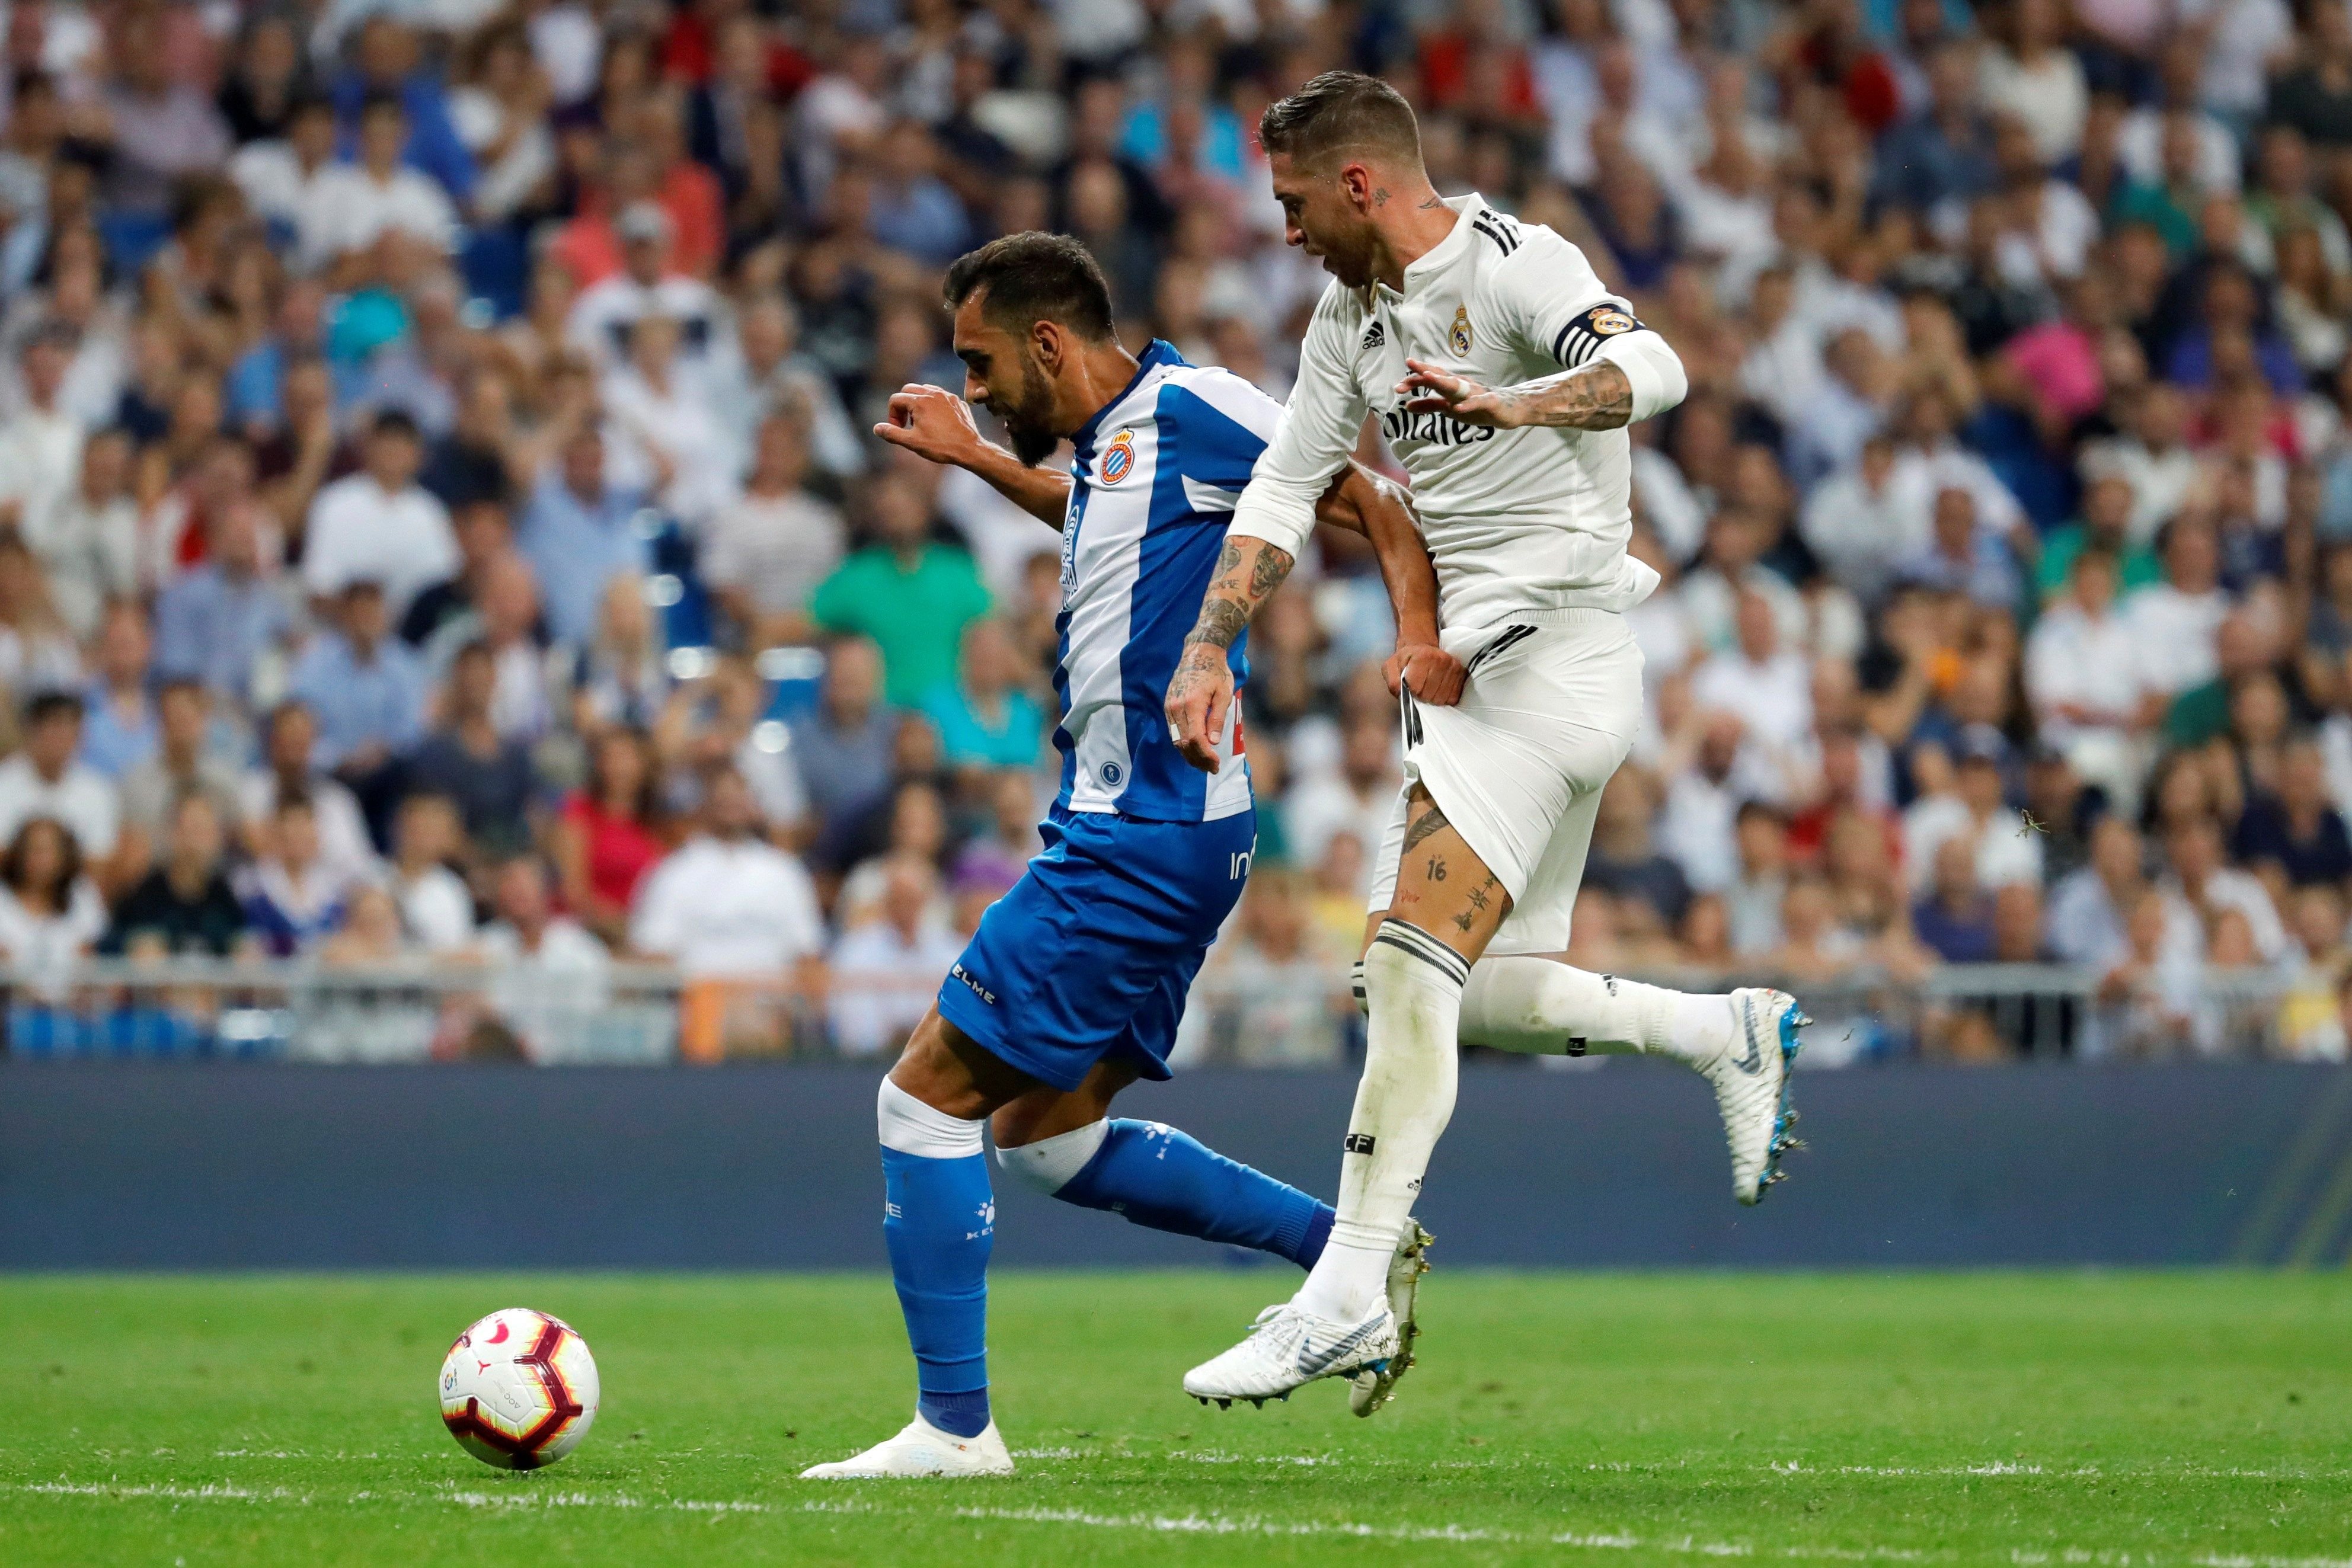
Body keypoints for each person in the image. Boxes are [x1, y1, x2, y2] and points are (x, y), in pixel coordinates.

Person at [1169, 72, 1801, 1412]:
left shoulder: (1517, 263)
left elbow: (1656, 367)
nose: (1281, 229)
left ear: (1357, 184)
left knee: (1401, 968)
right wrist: (1208, 641)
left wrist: (1524, 401)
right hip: (1490, 678)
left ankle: (1340, 1292)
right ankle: (1720, 1031)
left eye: (1291, 201)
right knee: (1480, 994)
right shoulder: (1349, 319)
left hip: (1546, 648)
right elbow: (1288, 482)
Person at [799, 231, 1457, 1481]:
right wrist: (976, 458)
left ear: (1049, 342)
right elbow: (1106, 510)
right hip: (1156, 826)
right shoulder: (1120, 443)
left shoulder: (1200, 407)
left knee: (920, 1098)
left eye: (982, 367)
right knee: (1044, 1140)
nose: (977, 386)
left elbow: (1365, 497)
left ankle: (953, 1432)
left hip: (1138, 834)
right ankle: (1351, 1256)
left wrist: (1417, 640)